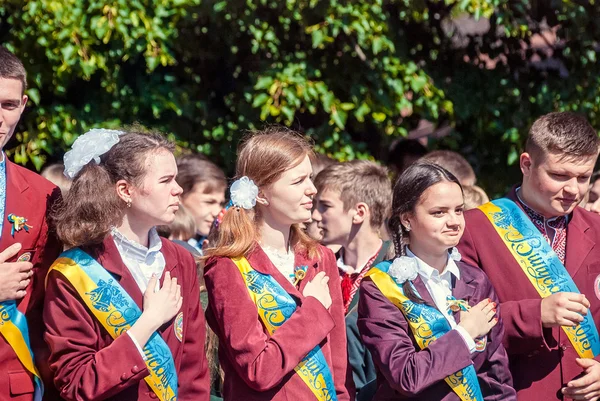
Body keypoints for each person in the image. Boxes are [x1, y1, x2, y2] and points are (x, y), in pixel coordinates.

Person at [44, 129, 210, 400]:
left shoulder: (180, 259)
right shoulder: (74, 272)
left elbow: (193, 372)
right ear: (125, 190)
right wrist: (149, 321)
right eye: (166, 180)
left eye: (176, 178)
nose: (178, 189)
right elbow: (76, 384)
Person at [203, 127, 354, 401]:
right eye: (298, 182)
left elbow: (338, 364)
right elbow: (258, 370)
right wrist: (312, 310)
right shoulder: (228, 266)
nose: (312, 190)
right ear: (261, 194)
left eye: (310, 178)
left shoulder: (320, 258)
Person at [458, 111, 600, 400]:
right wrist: (535, 315)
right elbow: (455, 322)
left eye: (583, 177)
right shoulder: (473, 228)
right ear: (527, 164)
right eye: (559, 175)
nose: (573, 190)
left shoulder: (598, 229)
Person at [358, 161, 516, 400]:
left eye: (459, 210)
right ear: (407, 219)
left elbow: (495, 374)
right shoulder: (381, 286)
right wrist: (465, 334)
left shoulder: (475, 279)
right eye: (439, 212)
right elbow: (406, 376)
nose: (454, 221)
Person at [0, 46, 62, 400]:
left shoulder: (44, 195)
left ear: (23, 105)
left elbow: (44, 311)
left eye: (9, 105)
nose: (0, 118)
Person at [312, 160, 392, 401]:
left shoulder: (395, 270)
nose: (314, 215)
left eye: (325, 206)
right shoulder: (315, 268)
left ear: (359, 212)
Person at [176, 154, 227, 253]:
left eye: (221, 203)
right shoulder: (159, 242)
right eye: (209, 202)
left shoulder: (216, 243)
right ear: (179, 196)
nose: (217, 212)